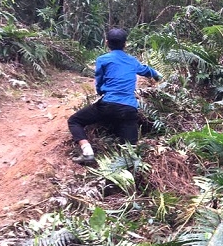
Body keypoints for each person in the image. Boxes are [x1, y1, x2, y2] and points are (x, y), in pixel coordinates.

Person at [67, 28, 161, 164]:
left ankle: (88, 153)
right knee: (131, 148)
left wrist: (100, 91)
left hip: (108, 105)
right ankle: (127, 165)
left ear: (106, 42)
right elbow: (146, 70)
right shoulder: (132, 61)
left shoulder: (102, 59)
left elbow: (99, 81)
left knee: (74, 121)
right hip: (129, 109)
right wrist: (157, 75)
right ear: (125, 44)